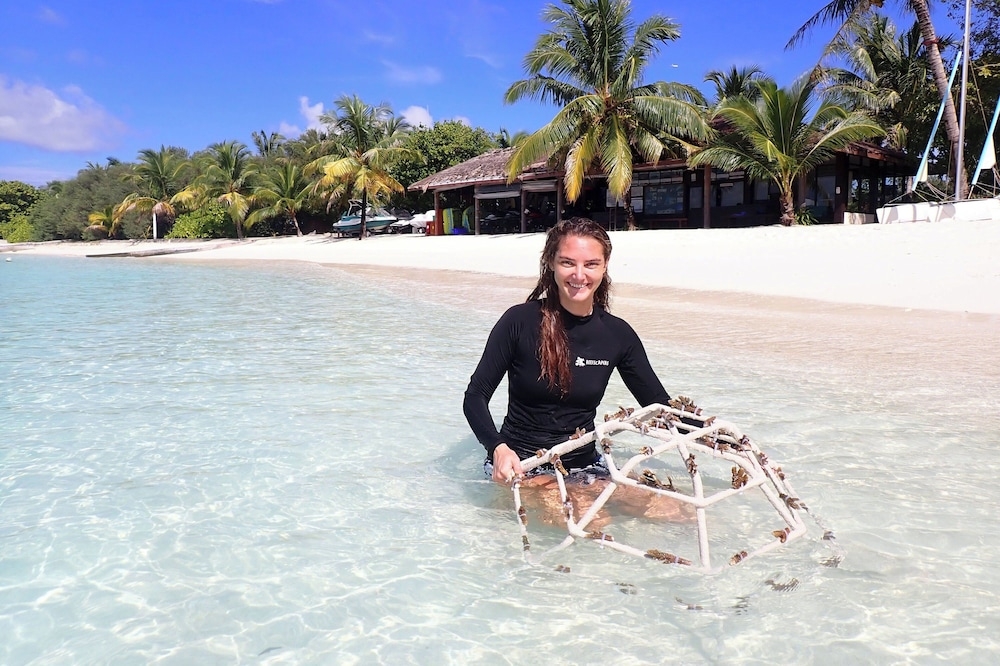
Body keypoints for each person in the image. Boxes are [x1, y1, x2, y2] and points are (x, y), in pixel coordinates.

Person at [463, 217, 674, 489]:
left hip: (587, 465)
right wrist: (498, 448)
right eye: (567, 262)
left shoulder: (618, 334)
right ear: (551, 263)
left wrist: (722, 439)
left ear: (604, 266)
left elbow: (658, 405)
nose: (579, 275)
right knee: (586, 517)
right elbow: (475, 396)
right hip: (523, 464)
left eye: (590, 264)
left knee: (670, 510)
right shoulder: (519, 321)